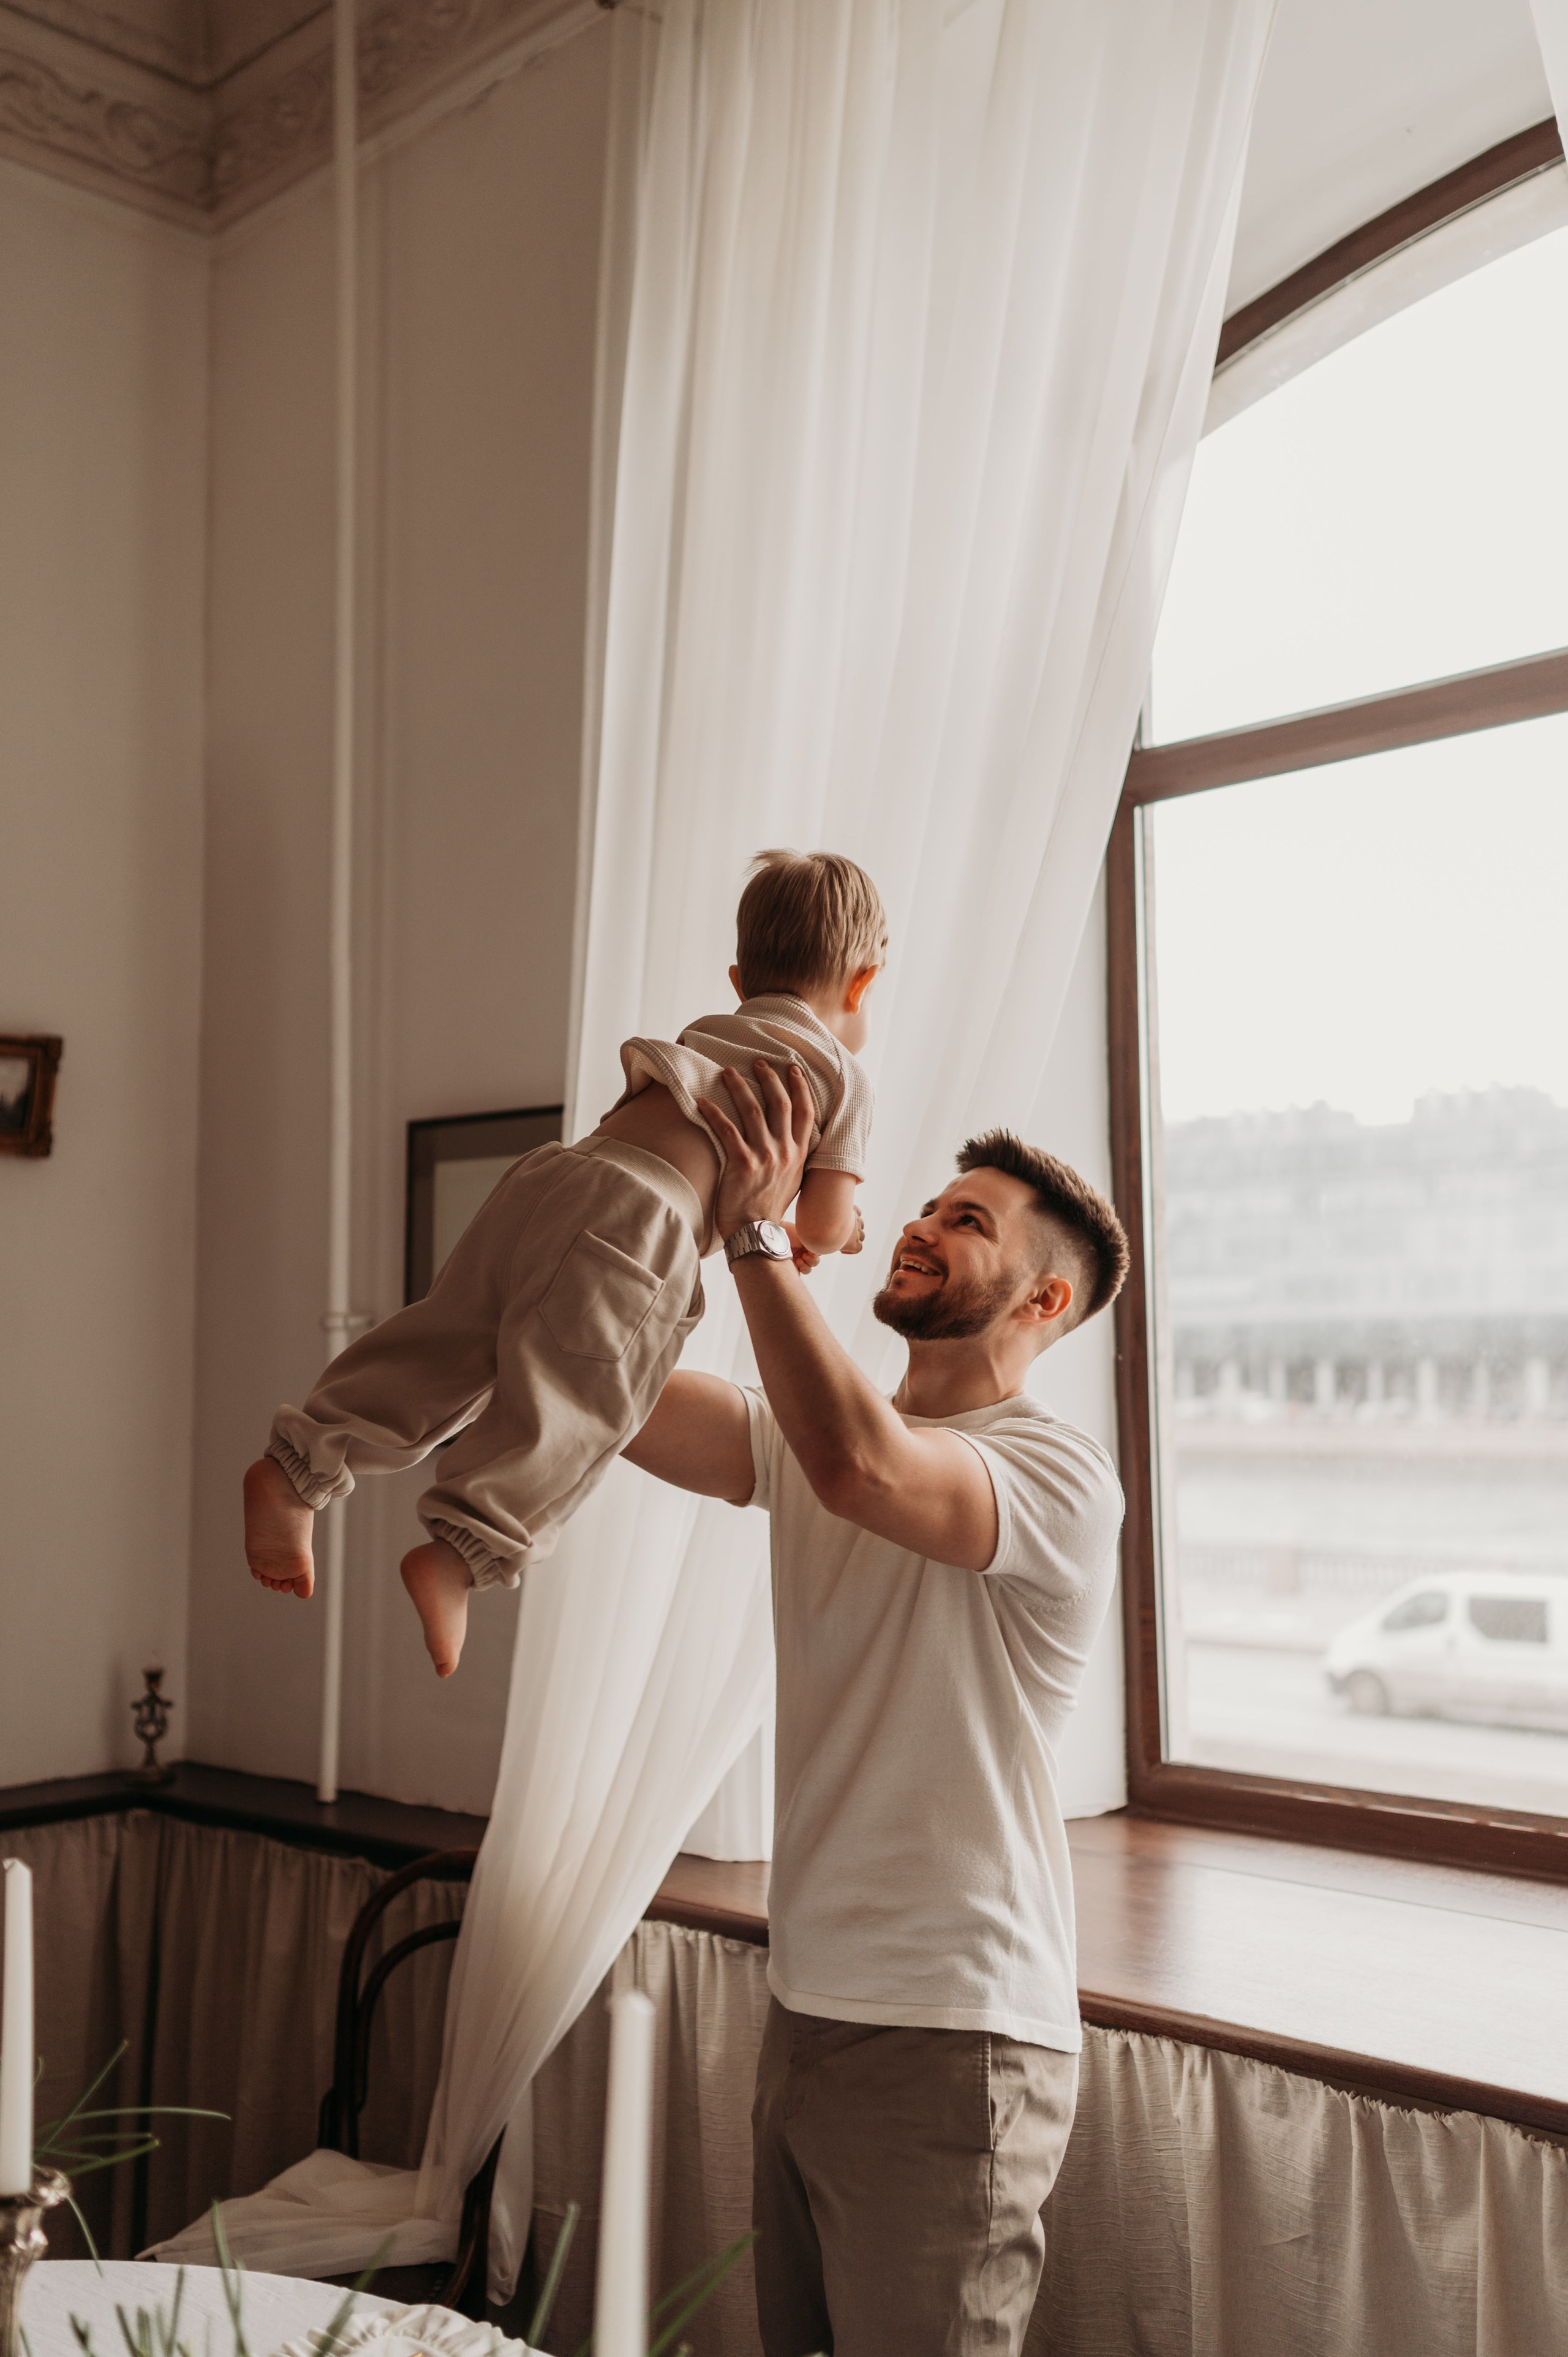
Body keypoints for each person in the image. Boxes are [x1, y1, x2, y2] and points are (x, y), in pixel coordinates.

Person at [622, 1056, 1129, 2357]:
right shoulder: (811, 1437)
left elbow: (863, 1467)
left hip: (957, 2032)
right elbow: (610, 1395)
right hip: (807, 2005)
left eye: (969, 1222)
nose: (920, 1223)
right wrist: (617, 1219)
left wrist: (755, 1230)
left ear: (1046, 1298)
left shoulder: (1059, 1473)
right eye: (929, 1205)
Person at [240, 850, 886, 1676]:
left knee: (447, 1343)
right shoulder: (841, 1075)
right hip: (641, 1218)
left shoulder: (712, 1032)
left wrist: (767, 1217)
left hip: (557, 1174)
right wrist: (843, 1230)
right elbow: (824, 1225)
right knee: (580, 1398)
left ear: (739, 979)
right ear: (862, 986)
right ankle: (462, 1553)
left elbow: (702, 1146)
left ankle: (297, 1470)